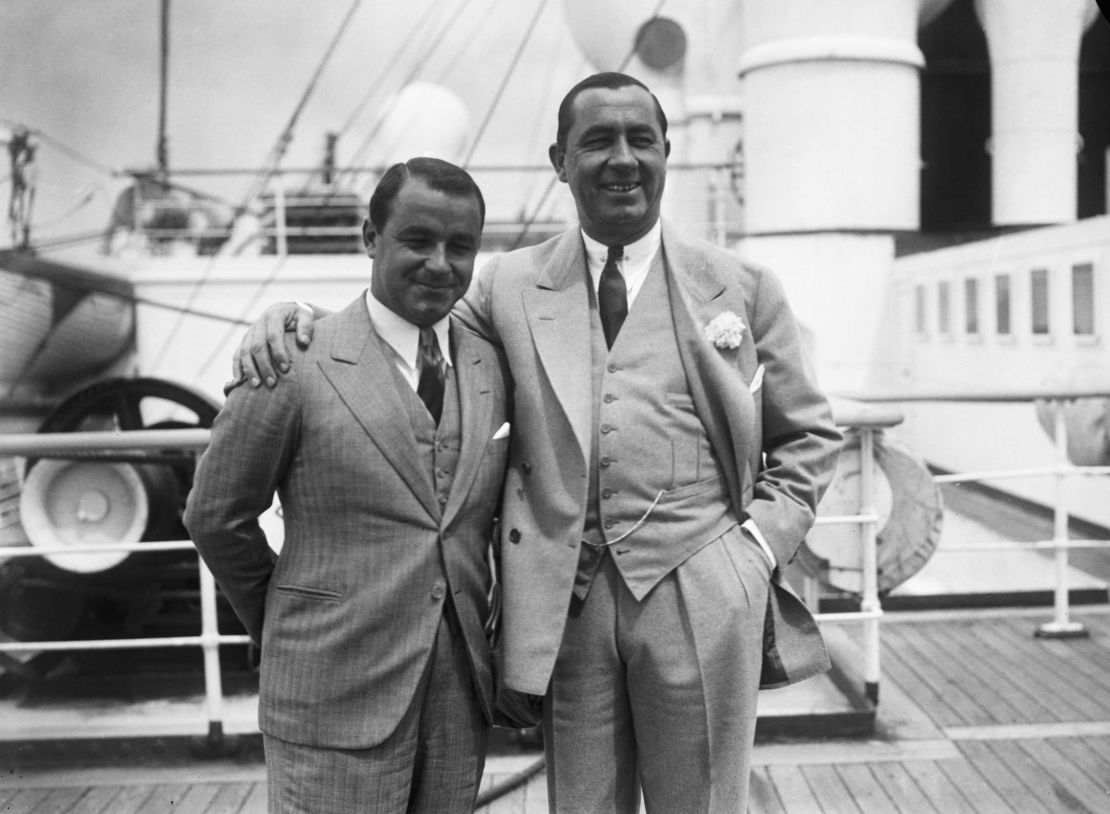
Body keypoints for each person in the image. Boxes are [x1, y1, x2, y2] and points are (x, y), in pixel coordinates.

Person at [234, 73, 842, 814]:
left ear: (665, 153)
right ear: (560, 161)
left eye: (639, 139)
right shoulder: (508, 284)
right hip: (567, 607)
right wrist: (296, 317)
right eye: (597, 142)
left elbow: (808, 433)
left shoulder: (742, 288)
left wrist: (755, 550)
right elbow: (406, 323)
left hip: (705, 594)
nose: (622, 159)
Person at [184, 157, 510, 814]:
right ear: (370, 238)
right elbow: (216, 515)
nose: (440, 264)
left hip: (458, 699)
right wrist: (282, 620)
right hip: (328, 694)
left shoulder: (489, 363)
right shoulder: (292, 362)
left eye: (460, 246)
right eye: (418, 241)